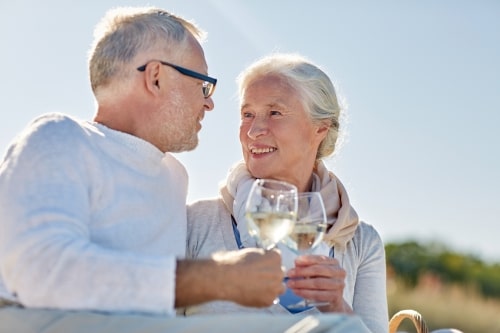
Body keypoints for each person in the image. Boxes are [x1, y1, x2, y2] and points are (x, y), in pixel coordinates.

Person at [0, 8, 374, 333]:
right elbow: (37, 272)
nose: (209, 104)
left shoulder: (172, 178)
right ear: (157, 78)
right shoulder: (60, 137)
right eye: (203, 85)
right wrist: (217, 278)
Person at [183, 53, 389, 333]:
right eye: (247, 114)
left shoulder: (361, 244)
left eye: (275, 113)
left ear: (320, 128)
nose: (254, 130)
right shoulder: (195, 223)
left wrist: (337, 308)